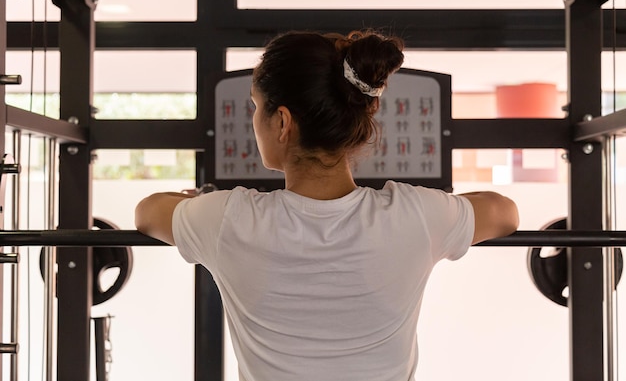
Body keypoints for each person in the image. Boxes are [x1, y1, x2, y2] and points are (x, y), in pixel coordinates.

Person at [135, 30, 519, 381]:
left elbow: (148, 212)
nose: (253, 119)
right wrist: (440, 207)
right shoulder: (415, 214)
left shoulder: (226, 219)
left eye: (256, 106)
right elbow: (504, 212)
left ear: (282, 122)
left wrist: (200, 200)